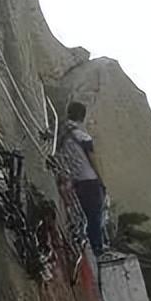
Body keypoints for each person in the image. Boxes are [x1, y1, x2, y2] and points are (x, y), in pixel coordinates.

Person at [57, 100, 105, 255]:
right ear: (82, 117)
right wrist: (102, 182)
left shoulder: (62, 138)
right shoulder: (83, 137)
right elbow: (93, 160)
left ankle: (85, 249)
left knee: (81, 217)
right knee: (94, 216)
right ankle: (97, 248)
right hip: (89, 181)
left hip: (74, 182)